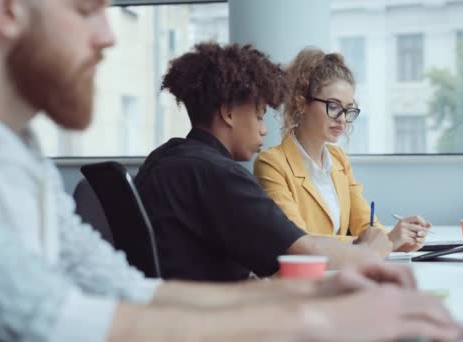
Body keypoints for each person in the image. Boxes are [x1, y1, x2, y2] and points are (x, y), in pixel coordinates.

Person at [0, 0, 463, 340]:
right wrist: (315, 321)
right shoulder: (214, 172)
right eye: (86, 8)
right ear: (7, 9)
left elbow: (132, 291)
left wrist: (318, 298)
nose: (110, 33)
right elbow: (48, 321)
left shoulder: (23, 159)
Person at [134, 42, 397, 282]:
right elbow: (302, 252)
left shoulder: (164, 158)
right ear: (228, 113)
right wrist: (371, 252)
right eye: (259, 116)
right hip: (206, 317)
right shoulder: (219, 174)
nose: (263, 130)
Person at [254, 47, 432, 252]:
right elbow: (298, 241)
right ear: (301, 103)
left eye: (348, 109)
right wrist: (385, 241)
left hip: (342, 271)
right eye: (334, 105)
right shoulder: (271, 164)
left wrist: (403, 238)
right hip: (301, 279)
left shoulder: (338, 160)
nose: (342, 118)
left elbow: (365, 224)